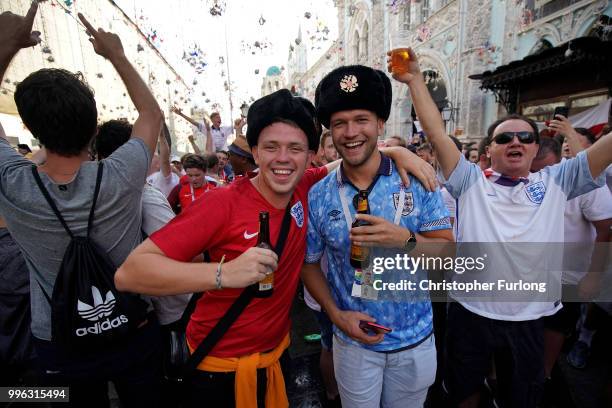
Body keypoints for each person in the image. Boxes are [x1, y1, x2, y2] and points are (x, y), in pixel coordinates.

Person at [115, 87, 436, 407]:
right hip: (217, 368)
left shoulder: (305, 187)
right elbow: (130, 274)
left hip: (277, 358)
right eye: (271, 147)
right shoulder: (222, 203)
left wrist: (395, 152)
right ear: (255, 152)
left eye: (295, 148)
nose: (283, 158)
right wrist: (223, 274)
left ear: (310, 155)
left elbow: (352, 160)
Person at [390, 48, 612, 408]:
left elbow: (605, 150)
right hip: (470, 312)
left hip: (530, 318)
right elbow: (436, 133)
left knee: (521, 395)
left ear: (535, 148)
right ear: (488, 150)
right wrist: (415, 79)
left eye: (525, 138)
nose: (516, 143)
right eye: (505, 138)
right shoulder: (471, 182)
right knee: (464, 391)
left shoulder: (557, 181)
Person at [0, 6, 164, 407]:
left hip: (56, 343)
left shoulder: (13, 183)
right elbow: (151, 114)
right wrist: (117, 56)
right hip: (132, 327)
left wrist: (6, 48)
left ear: (34, 134)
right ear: (95, 128)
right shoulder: (123, 174)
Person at [302, 64, 453, 408]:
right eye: (339, 123)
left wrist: (405, 240)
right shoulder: (320, 194)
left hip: (414, 341)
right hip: (354, 344)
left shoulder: (417, 179)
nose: (350, 131)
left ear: (381, 124)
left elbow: (449, 255)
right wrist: (335, 315)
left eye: (361, 119)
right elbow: (308, 265)